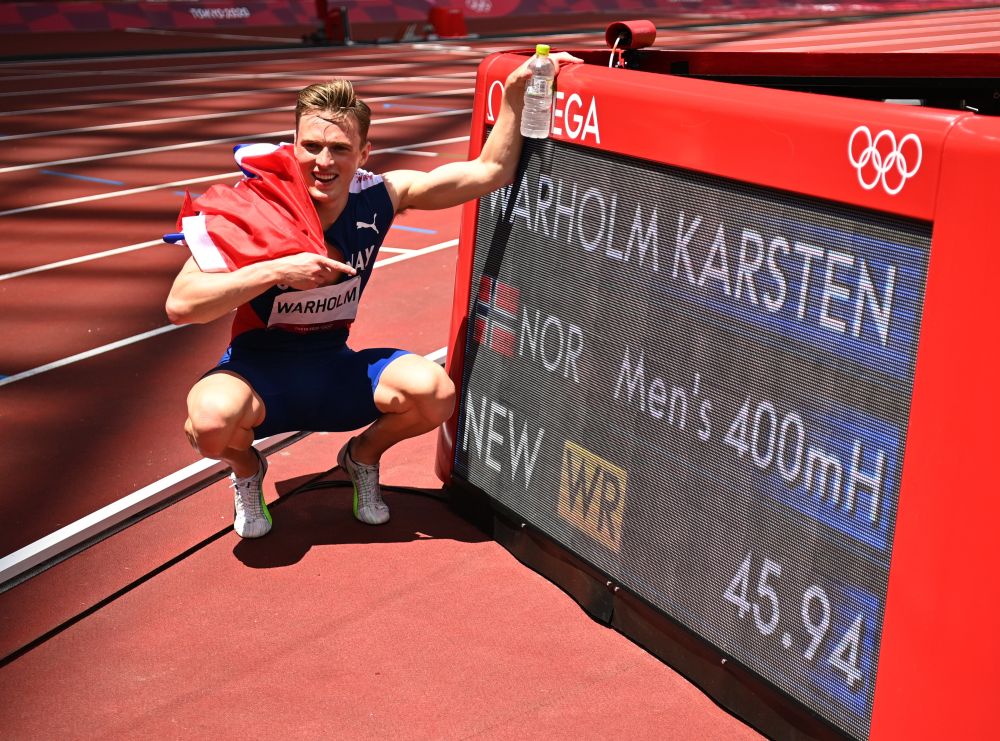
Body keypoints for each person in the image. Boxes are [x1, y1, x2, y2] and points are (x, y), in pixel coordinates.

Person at [165, 52, 581, 538]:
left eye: (339, 149)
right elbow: (181, 304)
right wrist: (277, 270)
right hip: (259, 376)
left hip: (333, 369)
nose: (323, 162)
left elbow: (490, 171)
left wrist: (513, 90)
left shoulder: (380, 196)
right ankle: (247, 470)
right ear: (292, 146)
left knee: (435, 395)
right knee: (210, 422)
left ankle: (361, 457)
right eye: (311, 146)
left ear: (363, 154)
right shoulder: (255, 209)